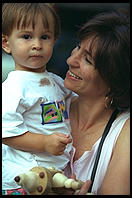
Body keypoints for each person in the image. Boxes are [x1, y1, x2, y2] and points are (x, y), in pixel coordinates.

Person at [2, 3, 74, 195]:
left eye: (45, 37)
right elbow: (6, 133)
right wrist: (44, 143)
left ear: (54, 40)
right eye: (26, 37)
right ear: (6, 43)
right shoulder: (14, 87)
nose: (37, 45)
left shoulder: (57, 82)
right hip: (24, 179)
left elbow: (78, 105)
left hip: (55, 176)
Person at [64, 10, 130, 195]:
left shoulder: (124, 132)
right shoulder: (49, 101)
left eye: (87, 60)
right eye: (77, 47)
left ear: (113, 79)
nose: (70, 60)